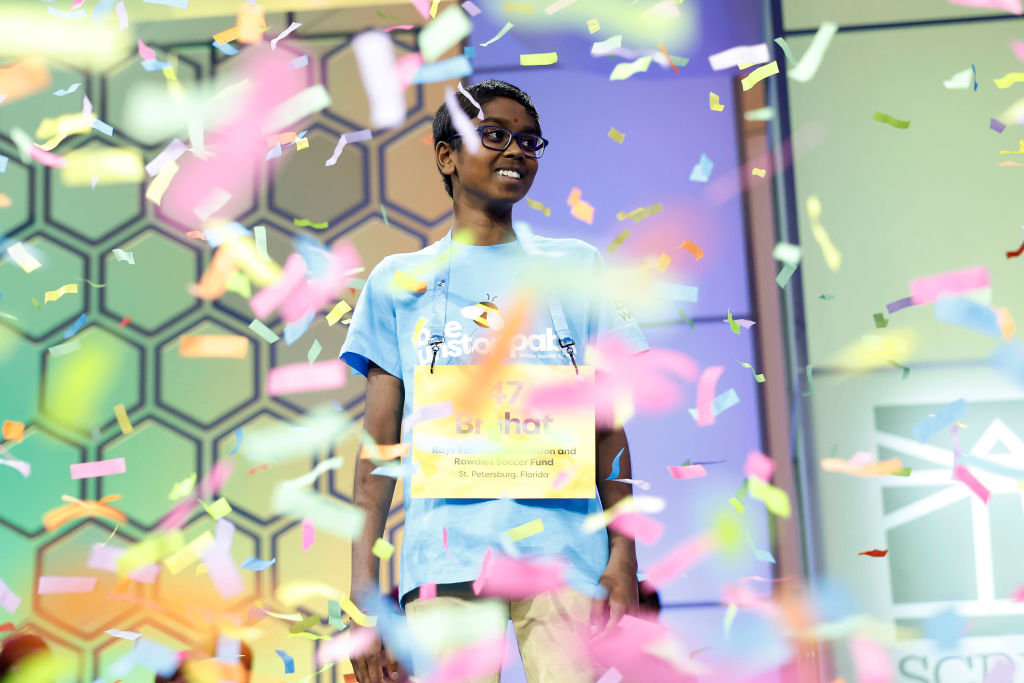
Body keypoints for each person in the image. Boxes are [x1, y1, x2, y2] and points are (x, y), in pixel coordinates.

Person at [340, 80, 648, 683]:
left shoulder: (578, 269)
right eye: (495, 136)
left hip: (568, 562)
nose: (517, 151)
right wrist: (363, 597)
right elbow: (377, 454)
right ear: (446, 156)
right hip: (446, 559)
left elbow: (607, 429)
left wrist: (624, 554)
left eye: (530, 141)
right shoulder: (398, 281)